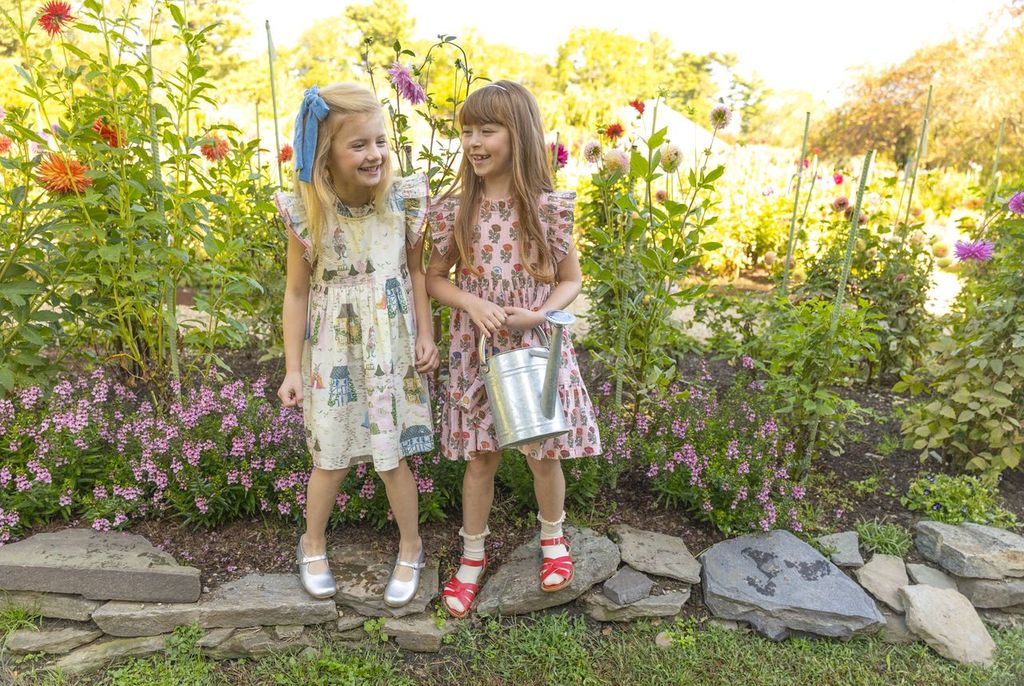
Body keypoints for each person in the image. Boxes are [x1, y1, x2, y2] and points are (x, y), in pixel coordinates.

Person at [425, 80, 602, 618]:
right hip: (476, 349)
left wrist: (542, 313)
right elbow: (434, 278)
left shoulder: (547, 210)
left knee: (542, 453)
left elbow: (571, 280)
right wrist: (471, 304)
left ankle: (553, 539)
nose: (474, 142)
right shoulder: (456, 210)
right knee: (481, 458)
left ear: (518, 135)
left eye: (487, 130)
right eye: (467, 131)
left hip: (532, 344)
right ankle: (472, 557)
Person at [276, 83, 439, 606]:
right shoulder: (308, 214)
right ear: (328, 154)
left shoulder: (403, 202)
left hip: (390, 351)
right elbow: (297, 292)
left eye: (380, 142)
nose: (375, 155)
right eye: (359, 145)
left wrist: (426, 333)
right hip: (332, 354)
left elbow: (415, 274)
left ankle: (411, 546)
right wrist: (294, 369)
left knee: (393, 460)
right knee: (332, 458)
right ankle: (312, 543)